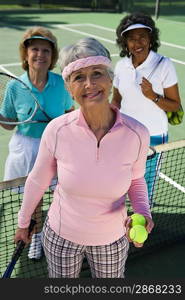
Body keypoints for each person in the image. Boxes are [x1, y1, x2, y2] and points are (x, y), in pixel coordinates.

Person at [14, 37, 154, 278]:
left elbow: (136, 180)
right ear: (69, 87)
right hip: (60, 237)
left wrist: (144, 213)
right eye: (79, 77)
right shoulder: (56, 130)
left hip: (111, 239)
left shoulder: (138, 133)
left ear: (110, 79)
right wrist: (23, 221)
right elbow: (37, 180)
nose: (89, 84)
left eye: (97, 73)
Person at [0, 26, 74, 260]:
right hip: (26, 148)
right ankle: (37, 238)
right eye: (35, 49)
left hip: (55, 147)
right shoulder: (14, 86)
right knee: (33, 199)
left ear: (52, 57)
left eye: (46, 50)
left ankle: (58, 234)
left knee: (63, 195)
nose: (40, 54)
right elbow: (10, 123)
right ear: (26, 53)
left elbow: (69, 114)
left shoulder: (62, 84)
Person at [111, 12, 182, 203]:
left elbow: (175, 105)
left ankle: (142, 223)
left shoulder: (163, 64)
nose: (137, 42)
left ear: (151, 39)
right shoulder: (121, 66)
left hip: (154, 136)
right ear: (125, 43)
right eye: (131, 38)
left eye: (142, 36)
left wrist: (153, 96)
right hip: (124, 134)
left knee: (144, 187)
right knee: (121, 182)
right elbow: (116, 100)